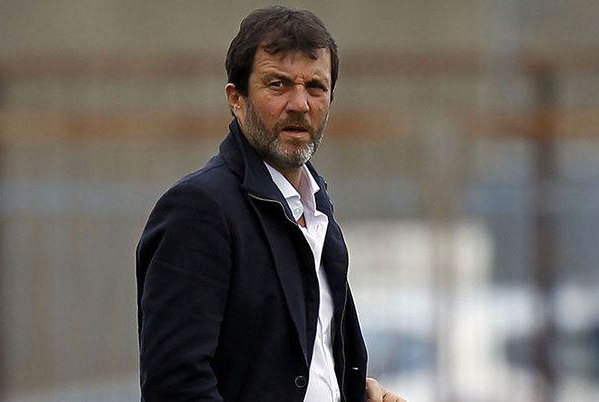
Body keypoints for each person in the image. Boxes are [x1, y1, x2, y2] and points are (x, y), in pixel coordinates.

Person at [136, 5, 406, 402]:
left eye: (315, 87)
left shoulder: (317, 213)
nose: (299, 103)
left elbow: (292, 370)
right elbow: (175, 387)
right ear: (237, 98)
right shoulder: (199, 210)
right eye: (278, 85)